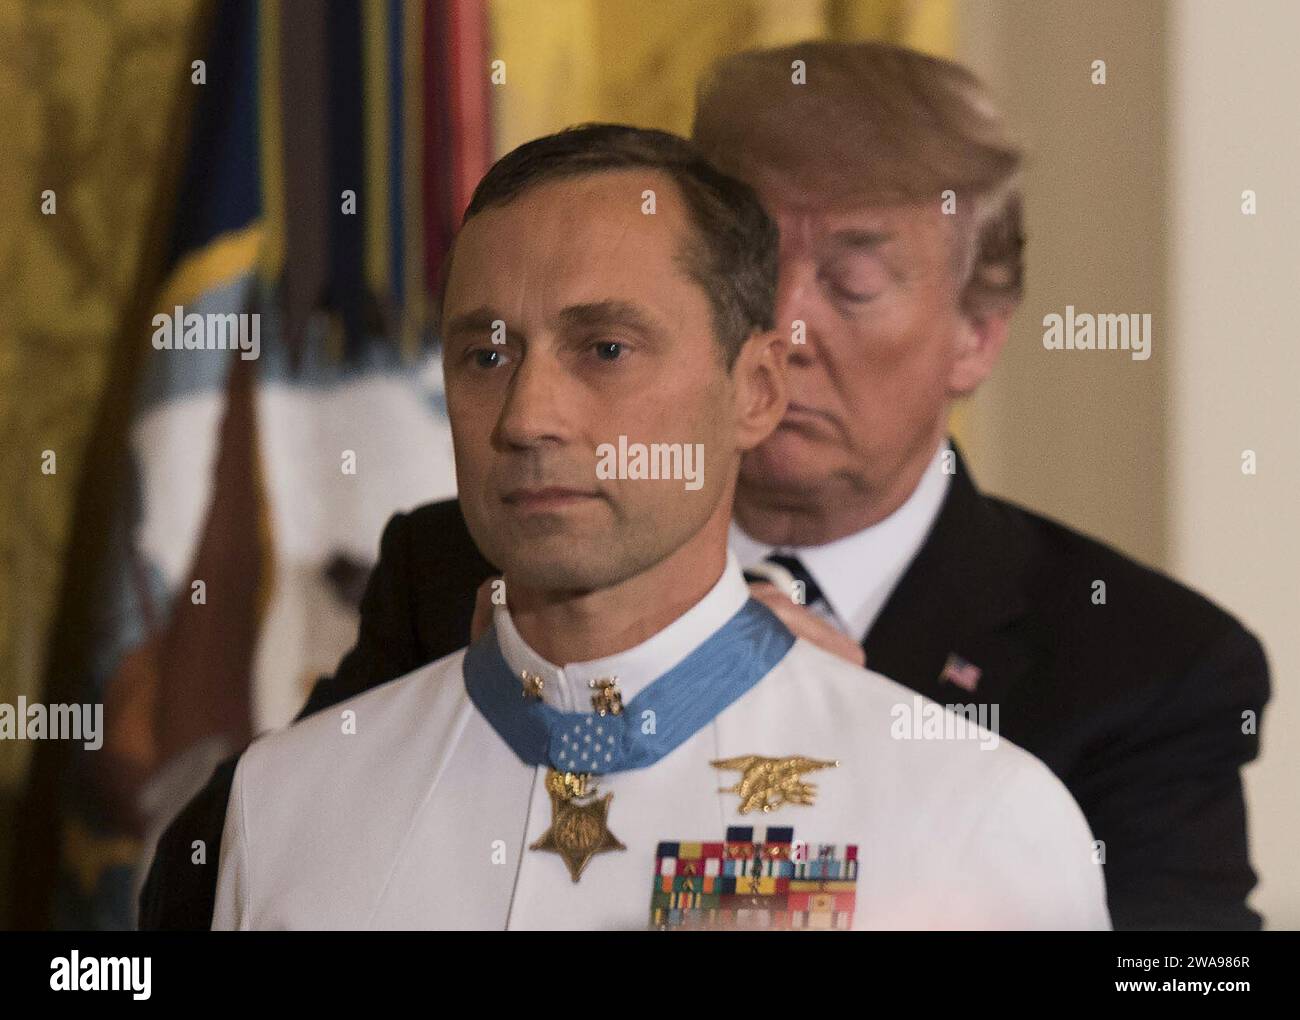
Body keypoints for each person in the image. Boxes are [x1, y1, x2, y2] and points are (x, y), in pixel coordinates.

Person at [144, 41, 1267, 932]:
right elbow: (270, 864)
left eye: (855, 277)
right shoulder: (453, 566)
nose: (789, 318)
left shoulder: (1102, 703)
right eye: (759, 265)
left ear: (977, 335)